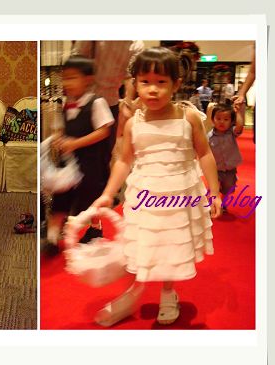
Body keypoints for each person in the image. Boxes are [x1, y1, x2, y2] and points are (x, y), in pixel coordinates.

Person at [91, 47, 222, 326]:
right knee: (146, 244)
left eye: (161, 82)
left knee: (171, 244)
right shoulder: (133, 123)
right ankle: (133, 293)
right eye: (145, 82)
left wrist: (214, 191)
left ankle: (167, 292)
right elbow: (124, 161)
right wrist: (107, 194)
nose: (152, 89)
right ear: (135, 83)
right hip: (144, 193)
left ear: (175, 84)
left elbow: (205, 154)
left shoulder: (188, 117)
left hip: (180, 193)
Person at [43, 56, 114, 255]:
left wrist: (75, 143)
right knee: (60, 198)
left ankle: (95, 229)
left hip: (91, 163)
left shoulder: (97, 102)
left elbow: (104, 131)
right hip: (69, 163)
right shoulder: (67, 103)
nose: (67, 83)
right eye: (64, 78)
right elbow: (63, 128)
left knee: (90, 199)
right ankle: (52, 238)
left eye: (72, 78)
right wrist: (58, 138)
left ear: (88, 79)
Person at [207, 102, 245, 212]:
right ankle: (212, 205)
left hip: (229, 169)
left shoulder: (232, 133)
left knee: (228, 188)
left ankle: (223, 204)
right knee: (213, 188)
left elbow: (239, 127)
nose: (221, 122)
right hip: (215, 169)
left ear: (231, 121)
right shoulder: (209, 136)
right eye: (218, 118)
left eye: (226, 119)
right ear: (213, 119)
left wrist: (238, 112)